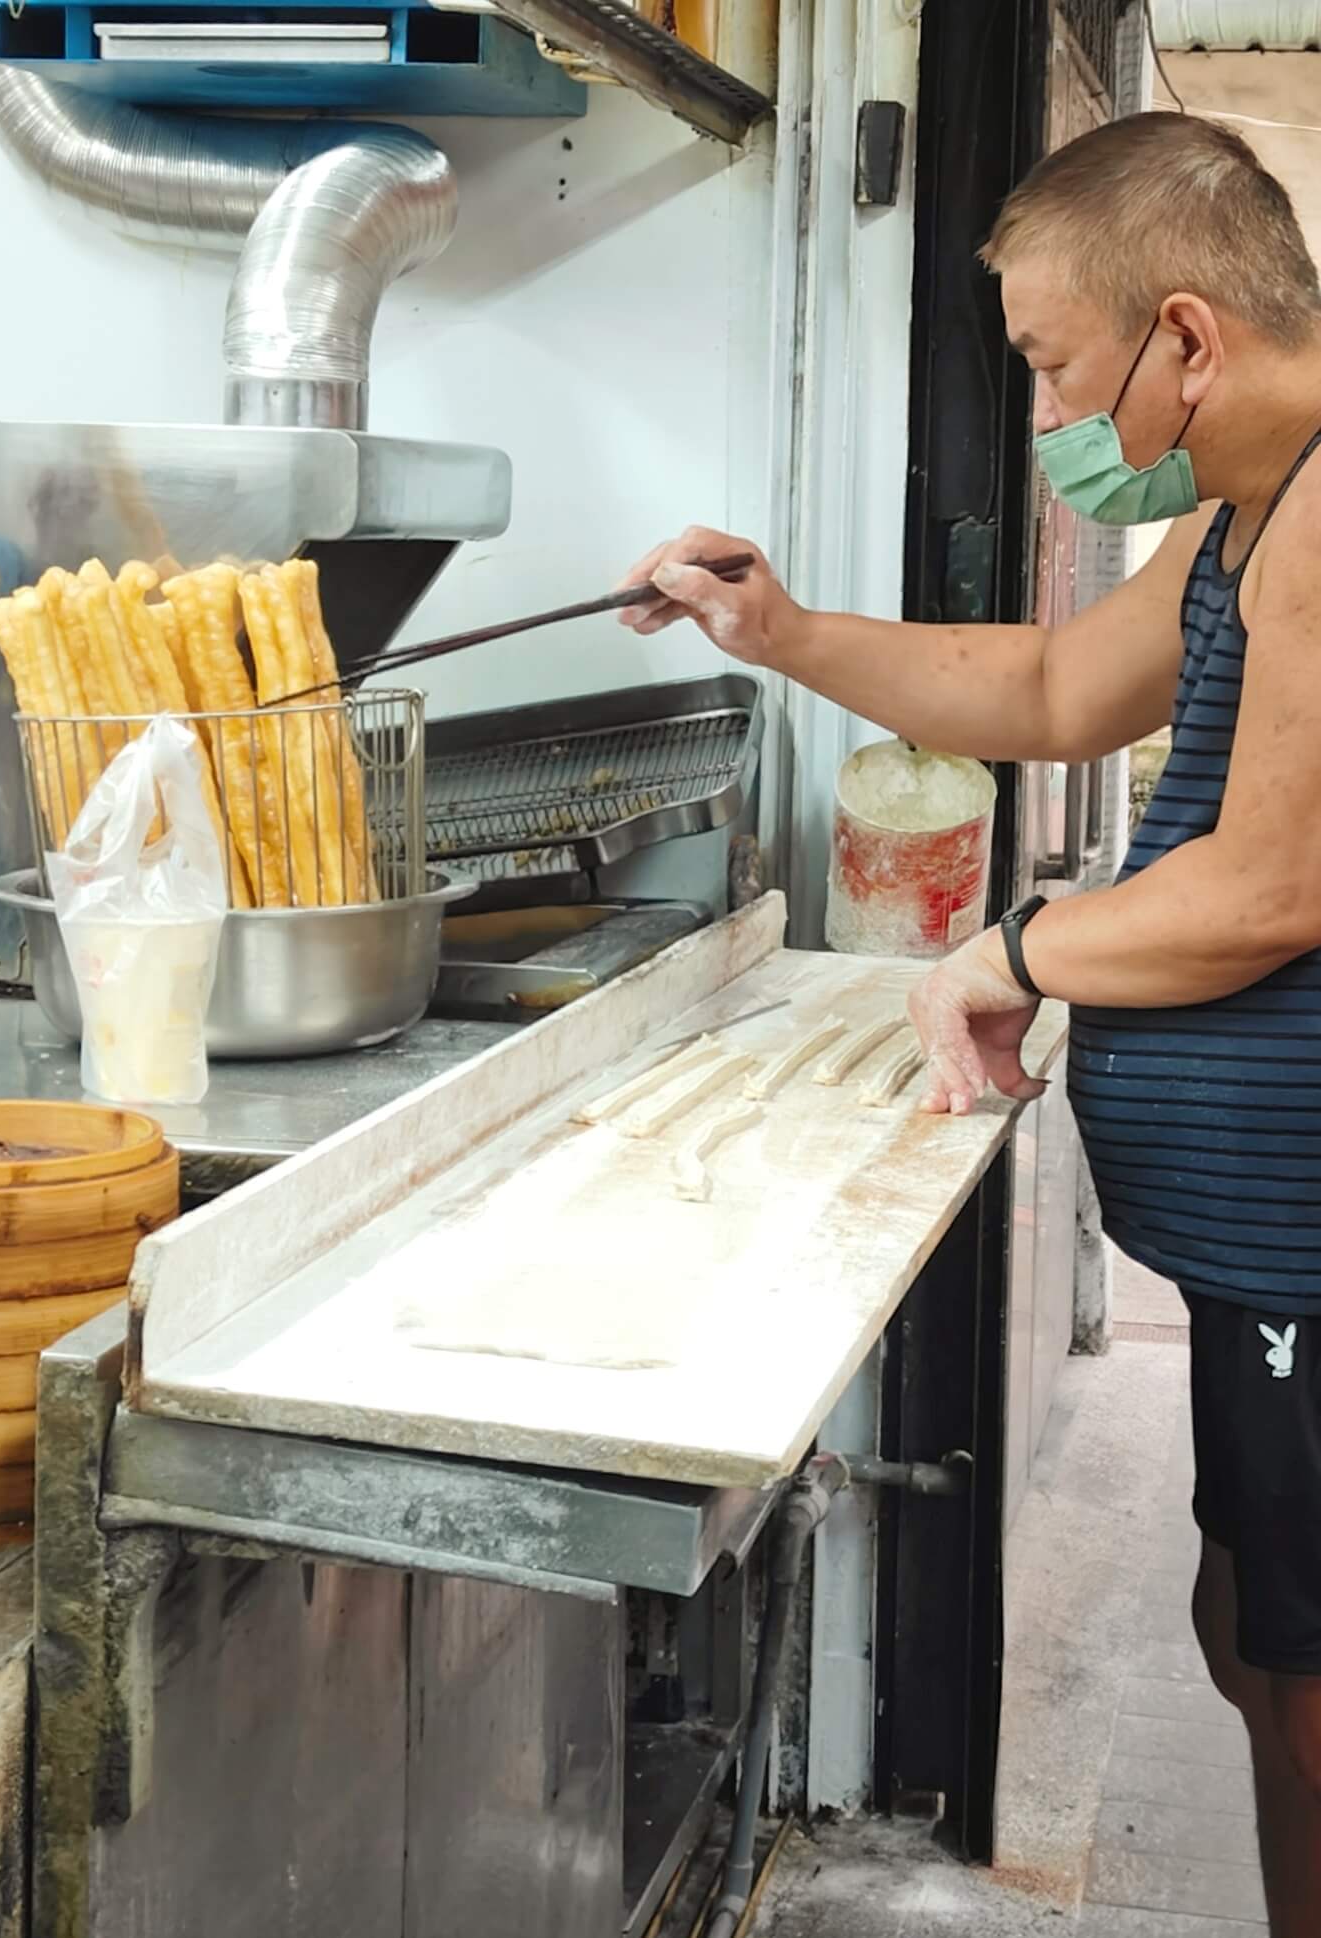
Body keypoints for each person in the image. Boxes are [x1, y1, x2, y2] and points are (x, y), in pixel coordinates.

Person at [622, 111, 1321, 1935]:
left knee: (1315, 1691)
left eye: (1052, 363)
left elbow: (1271, 888)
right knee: (1257, 1643)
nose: (1045, 415)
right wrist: (776, 629)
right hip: (1267, 1264)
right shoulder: (1260, 505)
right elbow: (1046, 682)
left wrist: (1013, 946)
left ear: (1186, 336)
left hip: (1315, 1265)